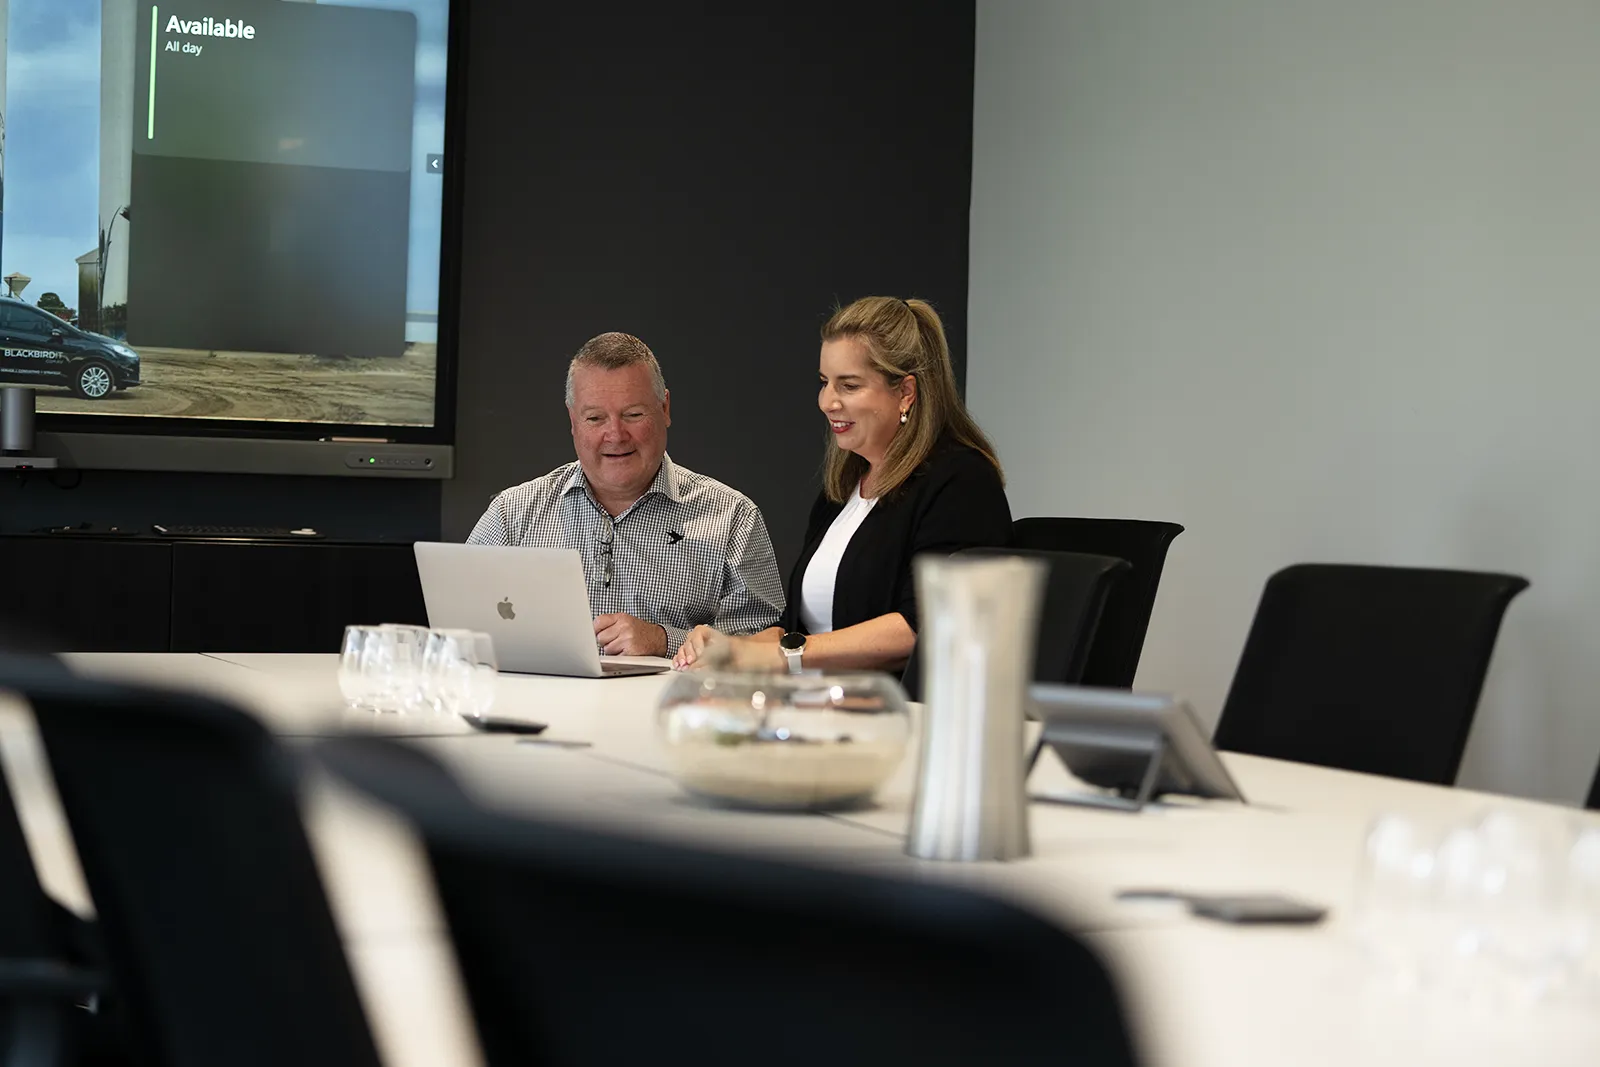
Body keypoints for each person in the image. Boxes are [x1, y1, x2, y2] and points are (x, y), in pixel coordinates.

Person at [673, 296, 1010, 673]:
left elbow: (927, 626)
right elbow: (797, 629)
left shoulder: (962, 480)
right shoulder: (844, 488)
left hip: (897, 715)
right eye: (824, 383)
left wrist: (786, 656)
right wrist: (729, 650)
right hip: (820, 705)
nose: (826, 402)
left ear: (906, 393)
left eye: (848, 386)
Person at [467, 332, 784, 656]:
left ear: (665, 409)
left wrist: (663, 641)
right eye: (595, 418)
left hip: (671, 705)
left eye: (633, 414)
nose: (616, 435)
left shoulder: (733, 519)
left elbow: (762, 650)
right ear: (573, 421)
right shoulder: (513, 514)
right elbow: (456, 632)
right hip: (536, 705)